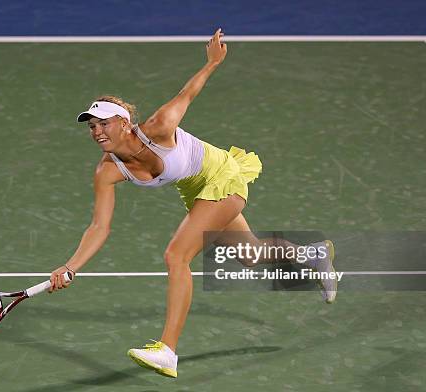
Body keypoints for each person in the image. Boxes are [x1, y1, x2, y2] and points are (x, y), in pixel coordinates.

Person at [48, 28, 337, 378]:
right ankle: (313, 255)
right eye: (92, 127)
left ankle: (168, 350)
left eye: (103, 124)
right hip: (194, 189)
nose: (97, 132)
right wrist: (71, 265)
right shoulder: (107, 171)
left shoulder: (158, 126)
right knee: (251, 256)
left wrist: (212, 62)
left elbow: (188, 93)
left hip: (222, 176)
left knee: (176, 255)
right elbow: (99, 226)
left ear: (124, 124)